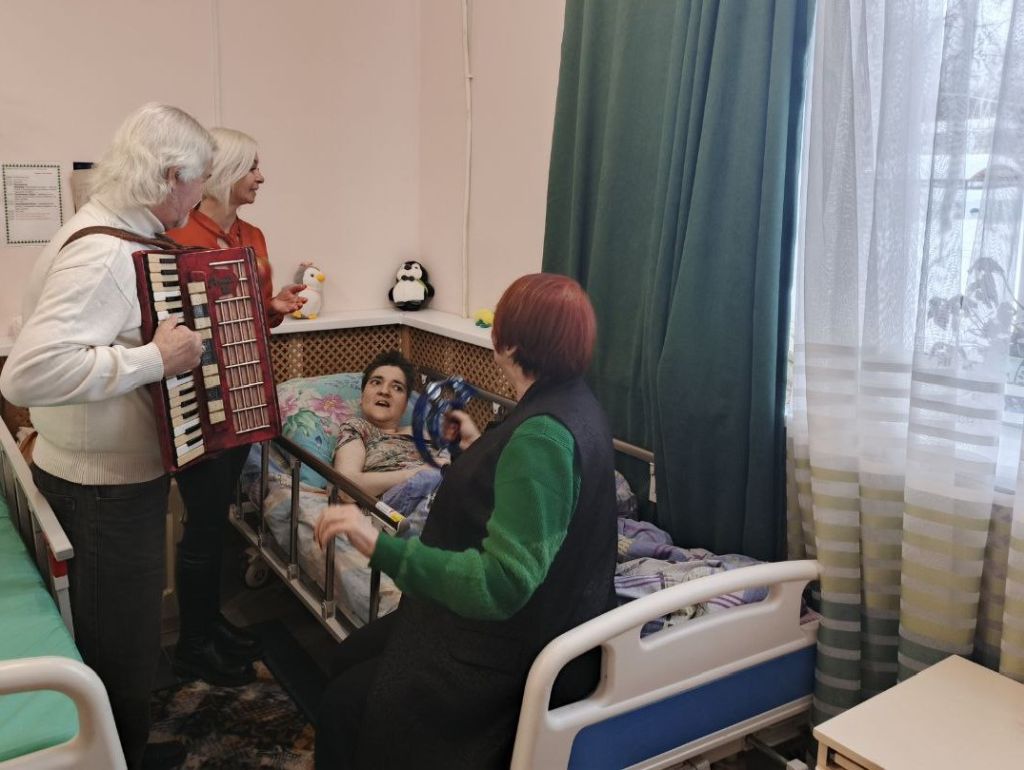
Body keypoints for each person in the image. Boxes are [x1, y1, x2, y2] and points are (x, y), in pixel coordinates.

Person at [312, 273, 618, 769]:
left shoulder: (543, 437)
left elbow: (501, 584)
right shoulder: (574, 404)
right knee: (348, 658)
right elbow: (526, 493)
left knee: (346, 706)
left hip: (507, 648)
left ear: (509, 344)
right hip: (527, 619)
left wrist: (379, 545)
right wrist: (476, 447)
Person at [0, 103, 213, 770]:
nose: (201, 194)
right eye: (200, 178)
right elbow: (26, 374)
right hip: (102, 492)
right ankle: (121, 757)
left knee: (121, 633)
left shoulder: (103, 233)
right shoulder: (106, 254)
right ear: (172, 174)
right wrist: (155, 360)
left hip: (101, 481)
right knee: (120, 643)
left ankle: (123, 746)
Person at [165, 127, 305, 687]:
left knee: (218, 517)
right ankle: (192, 645)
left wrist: (274, 308)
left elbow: (250, 317)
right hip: (200, 399)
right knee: (201, 522)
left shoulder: (254, 235)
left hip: (248, 394)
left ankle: (211, 625)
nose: (261, 177)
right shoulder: (175, 235)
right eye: (252, 167)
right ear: (222, 174)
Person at [332, 349, 442, 500]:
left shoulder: (425, 433)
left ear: (405, 406)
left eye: (397, 387)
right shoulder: (356, 428)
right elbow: (346, 488)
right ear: (362, 397)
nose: (384, 391)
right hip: (405, 503)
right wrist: (420, 473)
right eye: (376, 382)